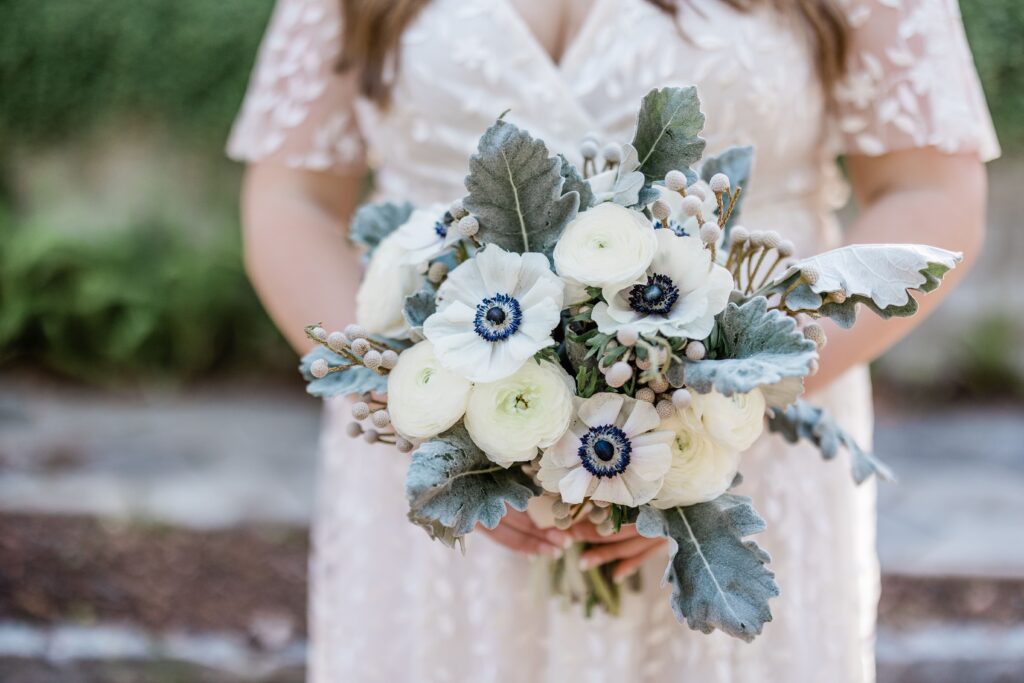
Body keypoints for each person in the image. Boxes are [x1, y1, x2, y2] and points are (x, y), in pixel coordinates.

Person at [229, 0, 998, 680]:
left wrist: (717, 404)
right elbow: (292, 196)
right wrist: (426, 424)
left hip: (734, 463)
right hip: (434, 487)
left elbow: (930, 192)